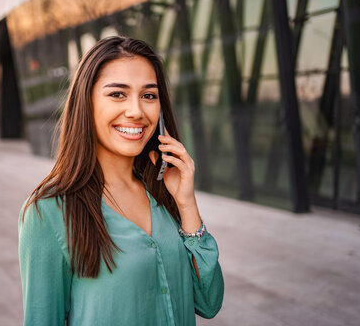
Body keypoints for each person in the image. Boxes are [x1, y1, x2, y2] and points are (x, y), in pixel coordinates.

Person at [18, 36, 224, 325]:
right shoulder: (48, 212)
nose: (136, 111)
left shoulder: (162, 193)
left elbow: (209, 301)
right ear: (86, 103)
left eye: (149, 96)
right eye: (118, 94)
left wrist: (187, 204)